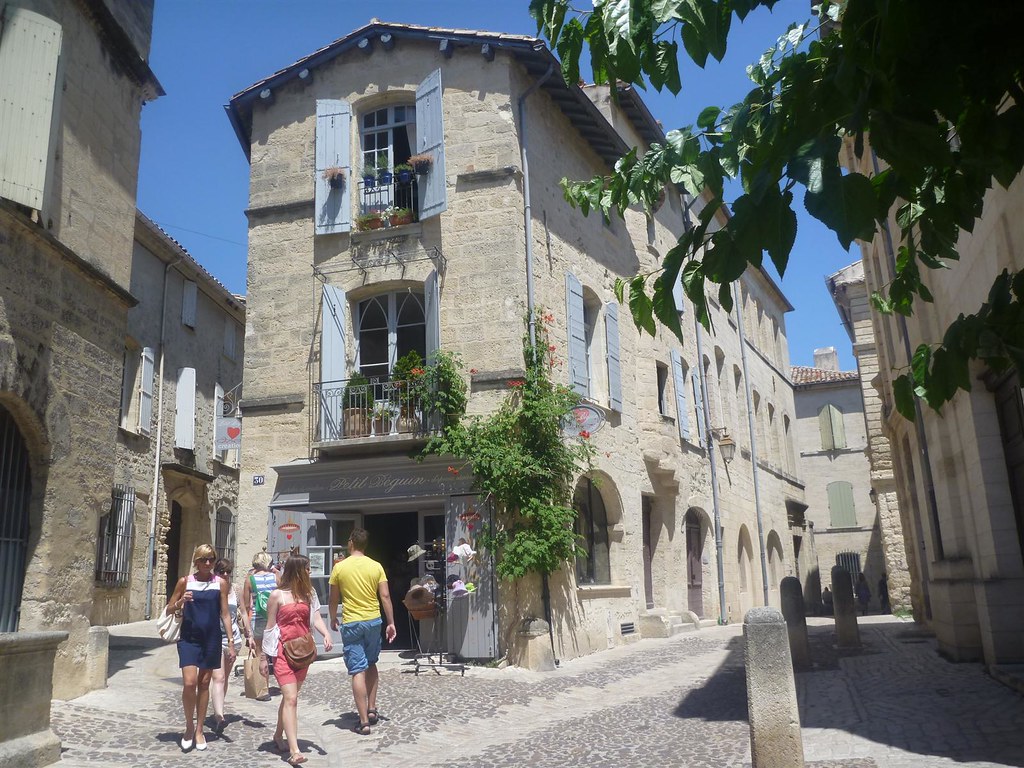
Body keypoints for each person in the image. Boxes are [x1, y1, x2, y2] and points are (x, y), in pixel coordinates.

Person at [260, 554, 333, 766]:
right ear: (298, 570)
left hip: (302, 652)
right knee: (291, 698)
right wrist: (264, 657)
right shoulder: (277, 596)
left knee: (289, 697)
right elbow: (270, 626)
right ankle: (294, 750)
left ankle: (277, 735)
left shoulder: (309, 593)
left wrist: (326, 633)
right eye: (308, 568)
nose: (310, 572)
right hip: (283, 652)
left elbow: (316, 617)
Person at [165, 544, 236, 752]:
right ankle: (188, 727)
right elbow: (169, 608)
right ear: (196, 561)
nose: (208, 563)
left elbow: (224, 613)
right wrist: (180, 603)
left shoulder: (220, 583)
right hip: (189, 638)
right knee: (189, 683)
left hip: (211, 639)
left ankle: (199, 730)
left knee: (204, 684)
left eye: (211, 559)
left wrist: (231, 642)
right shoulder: (185, 582)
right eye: (204, 560)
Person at [329, 528, 397, 736]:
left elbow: (333, 597)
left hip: (352, 622)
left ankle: (364, 721)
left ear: (351, 542)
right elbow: (385, 596)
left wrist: (332, 617)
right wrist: (391, 622)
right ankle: (372, 708)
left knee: (358, 669)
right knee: (372, 662)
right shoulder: (376, 566)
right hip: (373, 620)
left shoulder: (340, 568)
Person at [210, 558, 252, 735]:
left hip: (233, 638)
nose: (225, 575)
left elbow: (243, 611)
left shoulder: (236, 589)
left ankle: (220, 708)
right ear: (216, 572)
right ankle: (219, 715)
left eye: (228, 571)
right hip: (214, 638)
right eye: (221, 572)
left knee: (225, 677)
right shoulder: (211, 588)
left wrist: (249, 634)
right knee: (218, 677)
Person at [242, 550, 277, 701]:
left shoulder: (250, 580)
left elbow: (245, 606)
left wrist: (247, 629)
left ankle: (264, 689)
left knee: (260, 655)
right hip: (275, 618)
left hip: (258, 619)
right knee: (276, 653)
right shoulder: (275, 577)